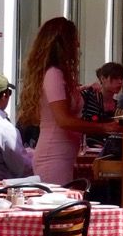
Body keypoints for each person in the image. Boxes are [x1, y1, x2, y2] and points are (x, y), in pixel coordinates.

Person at [17, 17, 117, 185]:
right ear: (63, 43)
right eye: (74, 40)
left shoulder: (56, 74)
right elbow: (63, 120)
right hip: (54, 155)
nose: (78, 45)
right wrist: (104, 127)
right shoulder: (54, 74)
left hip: (60, 154)